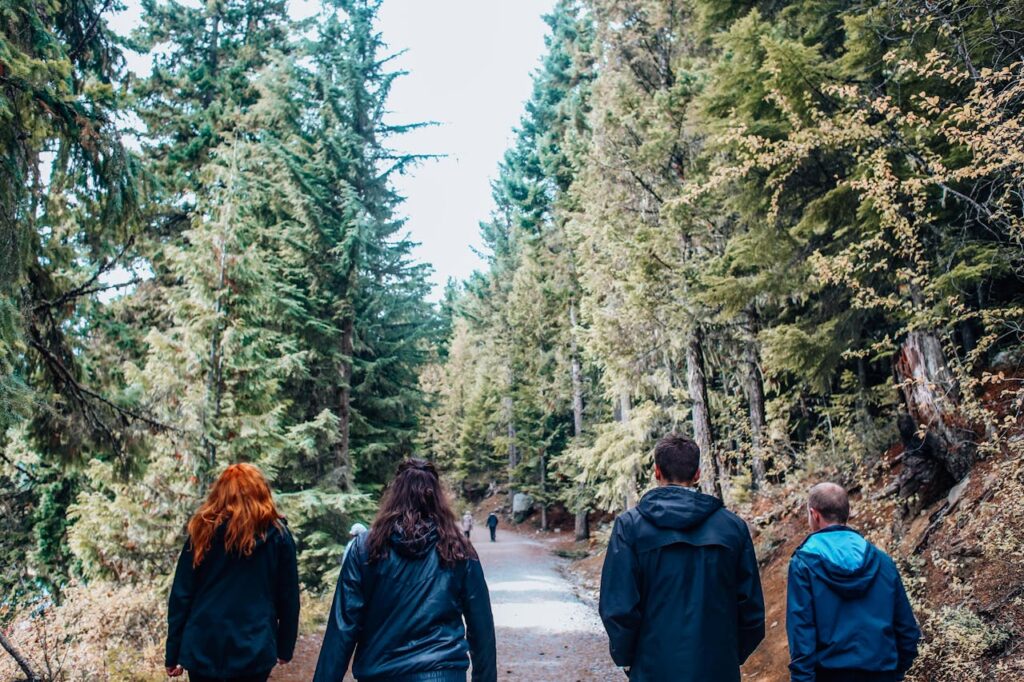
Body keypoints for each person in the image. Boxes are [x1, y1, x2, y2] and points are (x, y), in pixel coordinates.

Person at [313, 458, 497, 682]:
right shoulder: (458, 549)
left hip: (380, 674)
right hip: (443, 674)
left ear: (394, 496)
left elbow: (342, 628)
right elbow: (482, 630)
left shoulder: (365, 548)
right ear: (437, 499)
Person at [599, 434, 764, 681]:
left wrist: (628, 658)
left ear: (656, 472)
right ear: (697, 474)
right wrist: (727, 656)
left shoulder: (631, 527)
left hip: (653, 669)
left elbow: (618, 607)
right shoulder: (733, 528)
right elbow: (751, 611)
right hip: (717, 670)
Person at [165, 463, 299, 682]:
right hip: (254, 646)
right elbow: (288, 598)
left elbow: (182, 596)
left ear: (220, 493)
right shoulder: (278, 536)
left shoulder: (202, 532)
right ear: (262, 492)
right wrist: (285, 647)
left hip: (203, 646)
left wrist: (173, 652)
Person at [787, 483, 921, 682]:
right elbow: (907, 631)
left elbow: (801, 636)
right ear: (847, 513)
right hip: (883, 673)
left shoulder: (804, 564)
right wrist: (895, 672)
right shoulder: (882, 562)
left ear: (814, 515)